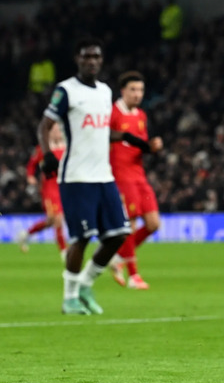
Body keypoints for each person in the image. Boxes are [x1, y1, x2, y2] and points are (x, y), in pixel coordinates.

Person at [38, 38, 146, 315]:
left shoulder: (104, 92)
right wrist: (47, 153)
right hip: (76, 177)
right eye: (87, 57)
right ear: (78, 59)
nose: (92, 61)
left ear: (101, 60)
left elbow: (102, 131)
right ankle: (69, 298)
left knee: (119, 234)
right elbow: (45, 123)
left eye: (96, 57)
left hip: (104, 176)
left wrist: (130, 138)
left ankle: (85, 283)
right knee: (82, 237)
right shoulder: (67, 90)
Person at [108, 70, 164, 290]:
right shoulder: (112, 113)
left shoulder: (141, 115)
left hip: (139, 175)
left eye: (140, 90)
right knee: (129, 226)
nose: (137, 94)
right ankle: (133, 276)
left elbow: (141, 146)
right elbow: (104, 135)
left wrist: (153, 147)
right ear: (123, 91)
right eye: (133, 89)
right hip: (120, 176)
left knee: (153, 224)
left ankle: (118, 256)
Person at [16, 123, 68, 261]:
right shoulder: (44, 148)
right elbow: (31, 164)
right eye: (54, 130)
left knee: (51, 221)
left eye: (59, 130)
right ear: (49, 133)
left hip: (64, 187)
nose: (57, 132)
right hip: (49, 188)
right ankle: (65, 252)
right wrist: (30, 176)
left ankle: (26, 235)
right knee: (57, 219)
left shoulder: (67, 147)